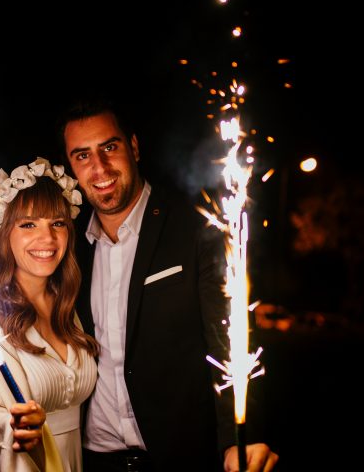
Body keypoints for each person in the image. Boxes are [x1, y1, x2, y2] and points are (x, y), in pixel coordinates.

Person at [59, 99, 279, 472]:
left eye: (109, 147)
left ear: (134, 147)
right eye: (82, 156)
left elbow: (230, 340)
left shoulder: (197, 226)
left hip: (180, 457)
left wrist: (239, 438)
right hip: (93, 459)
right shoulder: (69, 245)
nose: (99, 167)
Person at [0, 157, 99, 471]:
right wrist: (12, 428)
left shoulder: (67, 303)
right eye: (28, 224)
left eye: (57, 223)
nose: (47, 238)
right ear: (2, 231)